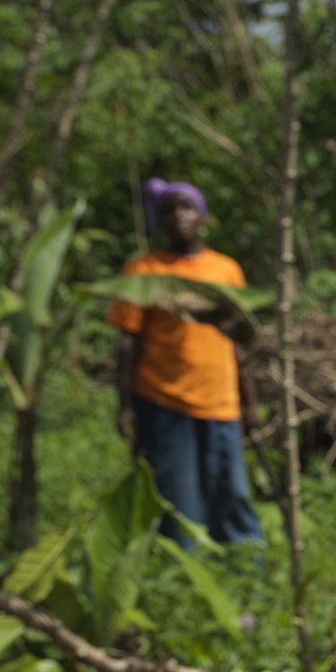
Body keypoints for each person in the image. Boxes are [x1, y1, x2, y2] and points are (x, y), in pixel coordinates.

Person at [107, 178, 264, 546]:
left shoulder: (225, 270)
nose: (179, 215)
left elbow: (237, 341)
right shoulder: (144, 271)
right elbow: (128, 343)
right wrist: (125, 406)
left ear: (202, 216)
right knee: (178, 497)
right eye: (169, 209)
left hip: (221, 402)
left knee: (232, 492)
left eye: (187, 207)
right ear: (159, 219)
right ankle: (180, 565)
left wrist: (250, 401)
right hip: (164, 401)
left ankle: (246, 561)